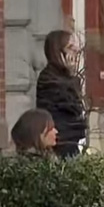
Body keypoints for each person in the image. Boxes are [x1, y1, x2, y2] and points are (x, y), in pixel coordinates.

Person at [35, 30, 86, 159]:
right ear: (57, 51)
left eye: (75, 49)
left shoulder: (68, 79)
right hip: (60, 147)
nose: (75, 53)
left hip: (72, 144)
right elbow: (64, 117)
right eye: (70, 48)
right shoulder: (50, 79)